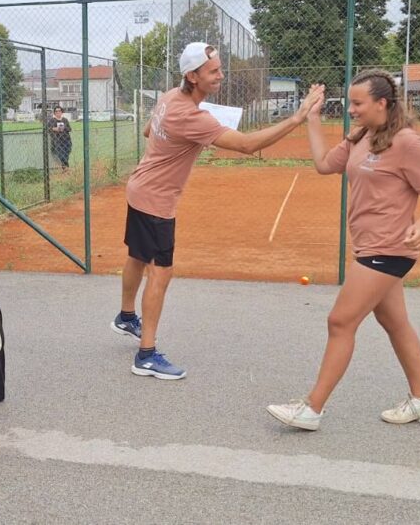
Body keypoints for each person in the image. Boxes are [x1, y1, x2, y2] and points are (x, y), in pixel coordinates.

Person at [109, 42, 323, 380]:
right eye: (214, 71)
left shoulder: (169, 98)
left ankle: (125, 316)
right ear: (193, 76)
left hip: (140, 188)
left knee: (137, 255)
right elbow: (248, 145)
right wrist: (298, 116)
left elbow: (150, 131)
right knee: (161, 273)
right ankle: (146, 356)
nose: (221, 75)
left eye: (220, 68)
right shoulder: (190, 115)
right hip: (157, 201)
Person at [265, 69, 420, 431]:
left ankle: (311, 408)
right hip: (369, 245)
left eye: (358, 103)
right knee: (394, 322)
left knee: (340, 321)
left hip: (390, 248)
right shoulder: (362, 136)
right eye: (349, 102)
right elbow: (323, 165)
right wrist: (313, 118)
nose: (351, 109)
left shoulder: (409, 143)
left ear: (382, 103)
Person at [46, 105, 72, 170]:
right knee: (61, 155)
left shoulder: (65, 120)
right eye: (56, 111)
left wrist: (63, 128)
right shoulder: (52, 120)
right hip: (57, 141)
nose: (58, 112)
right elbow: (47, 129)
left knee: (66, 154)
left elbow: (69, 129)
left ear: (62, 112)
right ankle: (65, 168)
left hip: (66, 140)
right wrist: (54, 129)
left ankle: (65, 168)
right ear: (54, 113)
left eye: (59, 111)